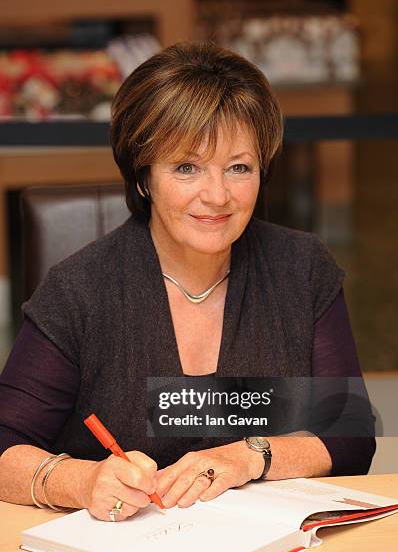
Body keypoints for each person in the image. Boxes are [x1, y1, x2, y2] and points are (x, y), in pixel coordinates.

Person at [0, 41, 375, 522]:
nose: (217, 196)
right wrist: (84, 480)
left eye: (239, 167)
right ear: (143, 178)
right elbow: (5, 444)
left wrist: (248, 456)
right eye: (186, 167)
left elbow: (349, 436)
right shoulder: (80, 290)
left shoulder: (300, 268)